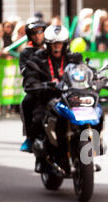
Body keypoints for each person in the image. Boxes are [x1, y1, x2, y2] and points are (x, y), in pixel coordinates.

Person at [23, 24, 83, 173]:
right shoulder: (37, 59)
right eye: (53, 44)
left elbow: (86, 71)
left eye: (60, 44)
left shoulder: (73, 58)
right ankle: (40, 156)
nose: (57, 47)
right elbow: (30, 78)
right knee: (38, 118)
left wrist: (95, 77)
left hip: (71, 97)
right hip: (48, 98)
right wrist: (40, 84)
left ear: (65, 44)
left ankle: (94, 145)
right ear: (47, 45)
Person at [19, 17, 47, 153]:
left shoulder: (52, 47)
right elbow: (24, 71)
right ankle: (29, 137)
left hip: (56, 86)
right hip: (37, 88)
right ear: (30, 35)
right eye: (34, 32)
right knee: (26, 103)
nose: (37, 35)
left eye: (40, 31)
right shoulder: (26, 52)